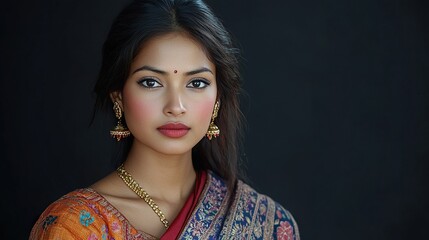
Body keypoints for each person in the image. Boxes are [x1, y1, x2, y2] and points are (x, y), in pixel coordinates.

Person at [29, 0, 300, 239]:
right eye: (151, 82)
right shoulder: (75, 227)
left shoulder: (268, 225)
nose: (176, 106)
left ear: (218, 99)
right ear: (118, 97)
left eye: (196, 83)